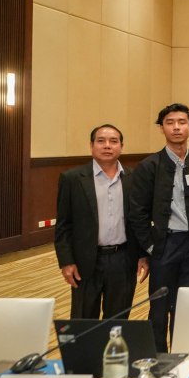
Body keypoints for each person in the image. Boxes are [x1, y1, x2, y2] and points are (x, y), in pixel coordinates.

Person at [130, 103, 189, 351]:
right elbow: (137, 212)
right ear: (162, 128)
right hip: (163, 245)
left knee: (187, 304)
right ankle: (158, 357)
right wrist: (149, 247)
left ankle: (183, 353)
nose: (176, 127)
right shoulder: (149, 166)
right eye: (170, 123)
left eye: (182, 122)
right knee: (159, 305)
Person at [55, 124, 148, 319]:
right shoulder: (72, 179)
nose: (107, 145)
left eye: (113, 141)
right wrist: (66, 261)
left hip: (123, 259)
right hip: (86, 261)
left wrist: (143, 255)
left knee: (118, 320)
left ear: (121, 147)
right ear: (91, 146)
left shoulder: (133, 178)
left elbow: (140, 220)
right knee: (84, 319)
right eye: (101, 141)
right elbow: (64, 225)